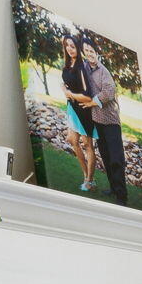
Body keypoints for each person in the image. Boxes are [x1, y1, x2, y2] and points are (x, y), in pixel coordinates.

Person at [80, 41, 129, 206]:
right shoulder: (84, 68)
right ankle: (113, 189)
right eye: (86, 50)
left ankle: (122, 196)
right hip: (97, 121)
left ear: (96, 52)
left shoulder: (103, 71)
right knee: (106, 156)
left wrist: (91, 103)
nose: (89, 53)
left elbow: (109, 92)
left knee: (116, 159)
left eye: (91, 50)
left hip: (111, 120)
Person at [57, 35, 99, 192]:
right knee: (72, 140)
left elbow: (87, 95)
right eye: (67, 45)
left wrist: (69, 93)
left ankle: (89, 180)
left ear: (77, 48)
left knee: (88, 145)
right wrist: (65, 89)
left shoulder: (81, 67)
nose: (69, 48)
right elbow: (68, 85)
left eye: (72, 46)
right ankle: (87, 175)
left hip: (83, 110)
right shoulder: (67, 66)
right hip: (72, 108)